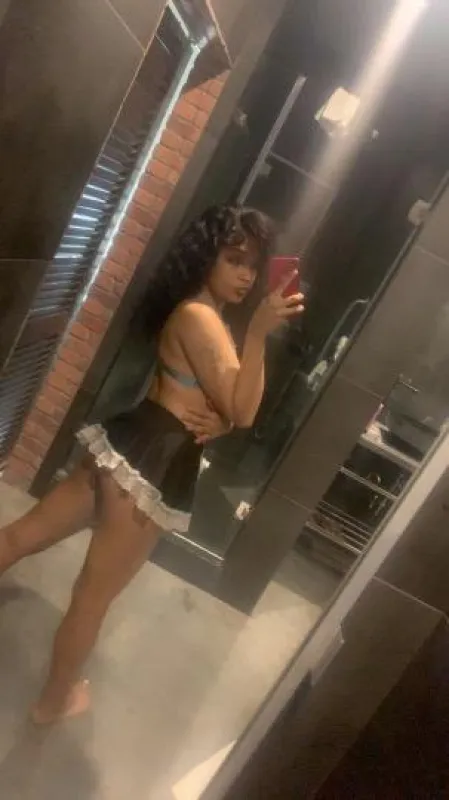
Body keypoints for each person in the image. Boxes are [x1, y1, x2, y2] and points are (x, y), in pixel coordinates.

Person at [0, 205, 304, 724]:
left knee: (21, 537)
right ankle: (52, 704)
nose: (247, 276)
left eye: (253, 265)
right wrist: (257, 336)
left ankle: (56, 697)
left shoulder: (195, 311)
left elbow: (225, 404)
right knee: (92, 598)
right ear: (207, 257)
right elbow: (245, 409)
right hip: (155, 464)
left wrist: (223, 418)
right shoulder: (202, 317)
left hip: (126, 444)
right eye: (234, 260)